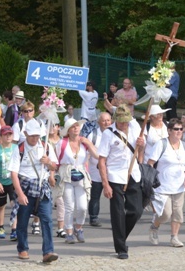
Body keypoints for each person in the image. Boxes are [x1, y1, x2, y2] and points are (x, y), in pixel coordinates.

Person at [98, 104, 145, 259]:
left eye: (126, 121)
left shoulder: (135, 127)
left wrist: (141, 146)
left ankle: (121, 235)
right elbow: (102, 160)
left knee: (136, 210)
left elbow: (140, 153)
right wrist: (105, 184)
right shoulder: (108, 134)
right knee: (118, 212)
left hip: (133, 173)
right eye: (121, 121)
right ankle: (121, 248)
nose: (124, 124)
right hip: (115, 175)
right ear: (116, 119)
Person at [10, 119, 59, 262]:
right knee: (23, 220)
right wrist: (19, 193)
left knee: (47, 219)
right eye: (32, 136)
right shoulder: (19, 149)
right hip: (25, 186)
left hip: (42, 186)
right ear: (25, 134)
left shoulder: (45, 147)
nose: (35, 139)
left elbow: (54, 166)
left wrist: (48, 162)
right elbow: (14, 173)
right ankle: (23, 248)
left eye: (37, 135)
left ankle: (48, 251)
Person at [147, 119, 185, 247]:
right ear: (169, 131)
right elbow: (150, 163)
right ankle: (155, 226)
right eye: (176, 129)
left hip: (179, 186)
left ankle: (174, 237)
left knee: (178, 214)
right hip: (162, 186)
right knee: (166, 214)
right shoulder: (162, 144)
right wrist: (150, 180)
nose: (179, 132)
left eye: (181, 129)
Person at [56, 118, 97, 244]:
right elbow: (56, 161)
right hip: (67, 175)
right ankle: (68, 232)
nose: (76, 128)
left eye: (77, 126)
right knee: (69, 206)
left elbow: (97, 156)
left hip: (80, 176)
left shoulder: (84, 142)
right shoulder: (62, 143)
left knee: (83, 206)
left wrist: (89, 144)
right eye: (73, 126)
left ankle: (78, 227)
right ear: (68, 130)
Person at [0, 126, 18, 240]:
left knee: (14, 205)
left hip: (13, 182)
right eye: (5, 135)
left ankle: (14, 229)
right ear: (1, 137)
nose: (8, 137)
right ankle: (1, 227)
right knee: (1, 206)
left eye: (10, 134)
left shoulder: (16, 148)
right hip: (1, 182)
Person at [86, 112, 112, 227]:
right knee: (95, 196)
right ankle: (93, 217)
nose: (106, 123)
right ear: (99, 122)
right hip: (95, 171)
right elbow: (87, 155)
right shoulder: (93, 135)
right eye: (103, 120)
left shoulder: (114, 134)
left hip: (111, 171)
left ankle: (116, 218)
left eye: (108, 120)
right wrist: (86, 171)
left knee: (114, 196)